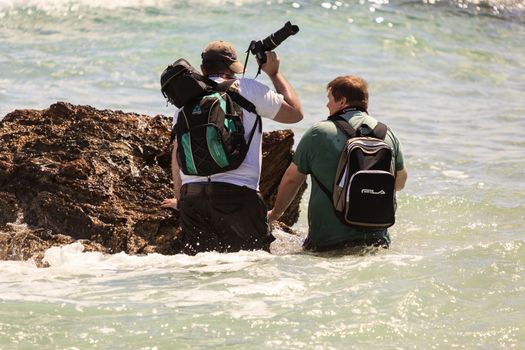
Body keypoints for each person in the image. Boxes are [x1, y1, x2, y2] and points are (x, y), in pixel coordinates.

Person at [161, 40, 303, 254]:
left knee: (201, 273)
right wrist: (274, 74)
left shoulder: (185, 102)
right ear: (232, 68)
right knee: (250, 271)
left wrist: (182, 201)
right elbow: (295, 113)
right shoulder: (247, 89)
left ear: (202, 69)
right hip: (238, 198)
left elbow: (177, 154)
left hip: (193, 200)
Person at [268, 75, 407, 251]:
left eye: (330, 99)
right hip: (377, 243)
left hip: (328, 242)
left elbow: (292, 179)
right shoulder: (387, 134)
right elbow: (400, 183)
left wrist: (275, 214)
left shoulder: (319, 132)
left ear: (342, 101)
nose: (327, 105)